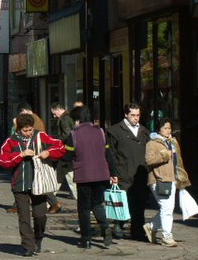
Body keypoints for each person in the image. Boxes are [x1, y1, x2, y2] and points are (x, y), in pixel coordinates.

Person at [0, 114, 65, 256]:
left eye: (30, 130)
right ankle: (28, 246)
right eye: (25, 131)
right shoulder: (11, 141)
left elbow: (60, 146)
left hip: (39, 184)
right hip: (19, 184)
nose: (28, 133)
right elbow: (2, 160)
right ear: (19, 129)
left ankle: (38, 238)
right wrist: (20, 155)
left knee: (40, 216)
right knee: (24, 218)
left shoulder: (41, 136)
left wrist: (48, 152)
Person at [62, 105, 118, 249]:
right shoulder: (100, 132)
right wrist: (113, 173)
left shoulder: (74, 135)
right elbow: (108, 155)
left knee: (84, 208)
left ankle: (86, 239)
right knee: (97, 203)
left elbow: (67, 156)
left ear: (77, 120)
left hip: (84, 175)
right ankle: (105, 228)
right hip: (101, 174)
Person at [106, 103, 151, 241]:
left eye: (138, 115)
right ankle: (119, 225)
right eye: (133, 115)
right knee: (123, 201)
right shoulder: (115, 131)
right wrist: (112, 173)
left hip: (140, 173)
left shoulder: (144, 131)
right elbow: (110, 154)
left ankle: (137, 230)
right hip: (123, 172)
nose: (136, 118)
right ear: (126, 114)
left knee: (139, 203)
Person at [144, 118, 191, 247]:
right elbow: (149, 160)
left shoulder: (173, 142)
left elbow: (178, 161)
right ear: (159, 129)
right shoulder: (152, 143)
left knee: (168, 208)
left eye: (169, 128)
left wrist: (181, 176)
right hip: (158, 179)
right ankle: (167, 236)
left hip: (172, 178)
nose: (168, 130)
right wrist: (164, 155)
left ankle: (151, 226)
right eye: (165, 128)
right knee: (166, 207)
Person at [6, 102, 46, 213]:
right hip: (35, 152)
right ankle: (18, 204)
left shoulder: (30, 121)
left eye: (21, 113)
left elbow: (21, 135)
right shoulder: (37, 118)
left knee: (32, 178)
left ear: (24, 111)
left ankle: (52, 202)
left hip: (32, 153)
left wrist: (15, 124)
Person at [46, 102, 77, 214]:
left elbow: (67, 134)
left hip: (65, 152)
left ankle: (50, 202)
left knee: (68, 178)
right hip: (67, 152)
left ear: (59, 110)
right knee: (61, 177)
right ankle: (50, 202)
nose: (54, 116)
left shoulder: (64, 119)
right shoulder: (68, 117)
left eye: (54, 113)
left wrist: (57, 141)